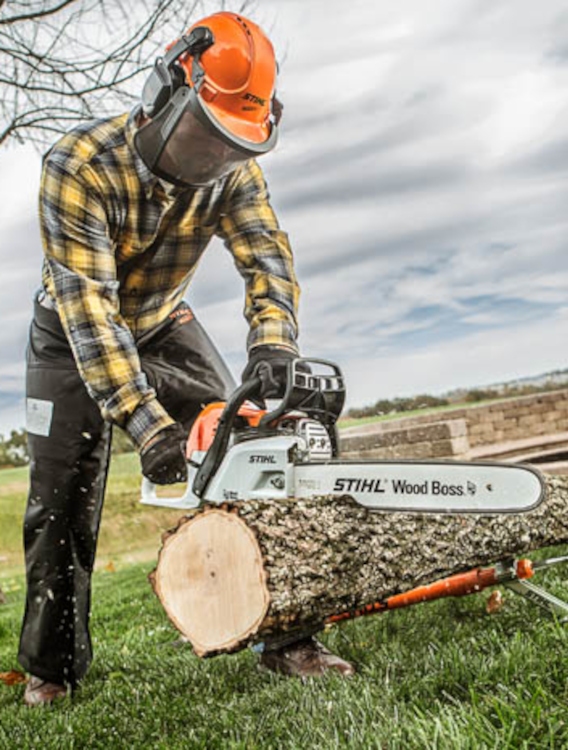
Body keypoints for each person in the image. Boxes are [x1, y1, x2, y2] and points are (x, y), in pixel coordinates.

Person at [20, 11, 354, 708]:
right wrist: (146, 424)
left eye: (232, 146)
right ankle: (51, 671)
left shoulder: (231, 173)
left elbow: (267, 257)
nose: (215, 160)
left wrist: (274, 344)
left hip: (164, 319)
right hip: (71, 334)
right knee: (61, 505)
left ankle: (287, 637)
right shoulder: (78, 165)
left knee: (254, 452)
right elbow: (91, 311)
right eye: (207, 137)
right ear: (167, 92)